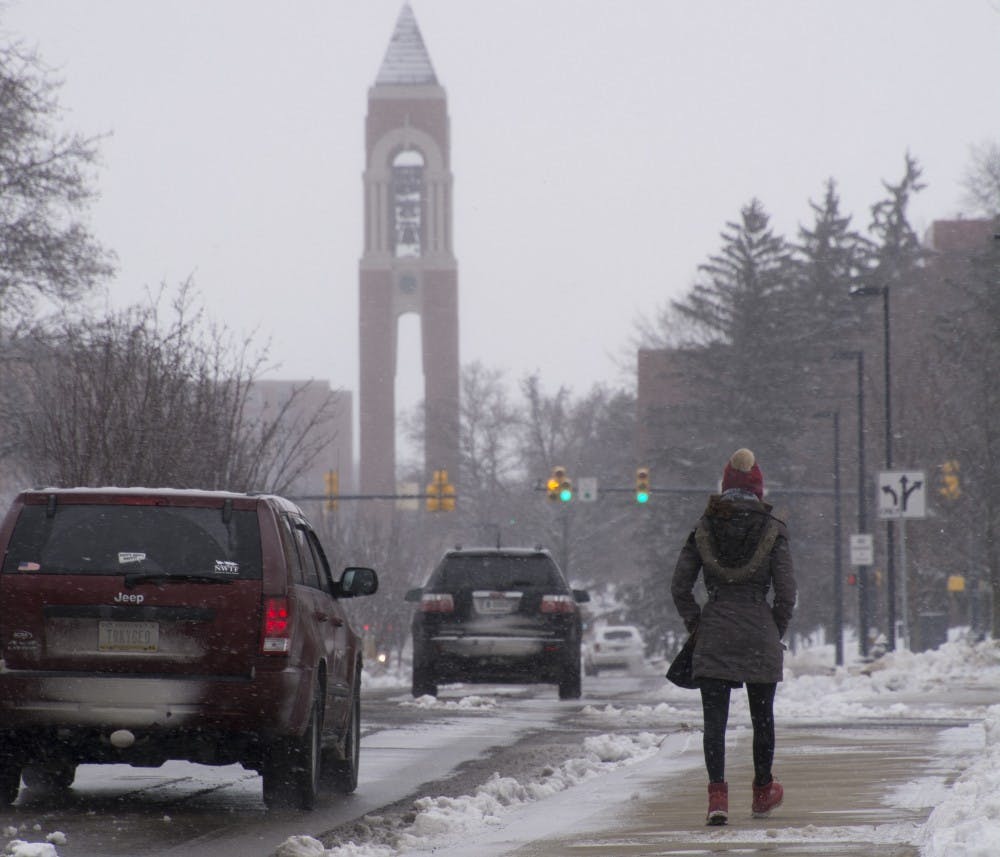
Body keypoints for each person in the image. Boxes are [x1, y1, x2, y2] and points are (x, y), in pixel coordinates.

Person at [670, 448, 796, 826]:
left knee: (715, 720)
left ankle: (717, 797)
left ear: (725, 486)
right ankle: (761, 793)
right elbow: (787, 593)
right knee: (763, 718)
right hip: (759, 631)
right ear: (757, 490)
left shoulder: (704, 528)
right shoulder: (773, 530)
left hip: (716, 631)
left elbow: (680, 587)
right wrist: (773, 628)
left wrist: (698, 623)